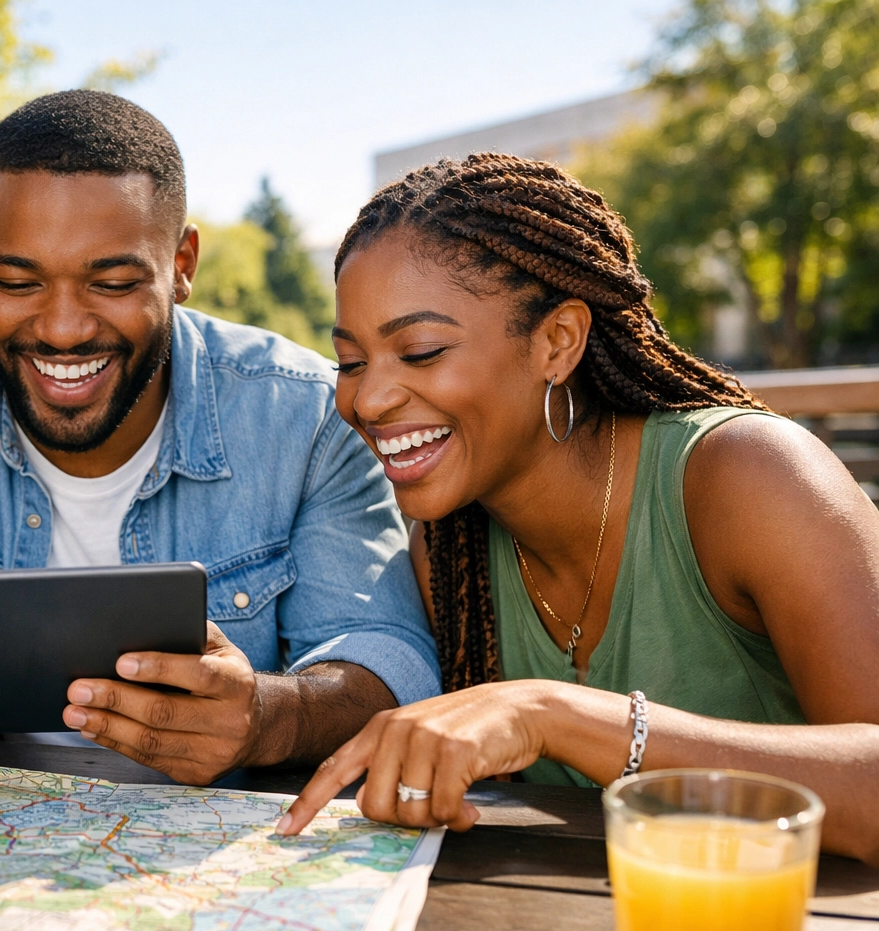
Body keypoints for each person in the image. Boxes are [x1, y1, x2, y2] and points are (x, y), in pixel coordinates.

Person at [0, 90, 440, 785]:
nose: (63, 328)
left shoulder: (308, 414)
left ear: (182, 265)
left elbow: (390, 662)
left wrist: (269, 716)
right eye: (17, 281)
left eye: (111, 282)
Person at [277, 154, 879, 866]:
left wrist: (556, 716)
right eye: (350, 362)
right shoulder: (447, 556)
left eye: (420, 350)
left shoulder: (750, 478)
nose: (368, 401)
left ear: (557, 342)